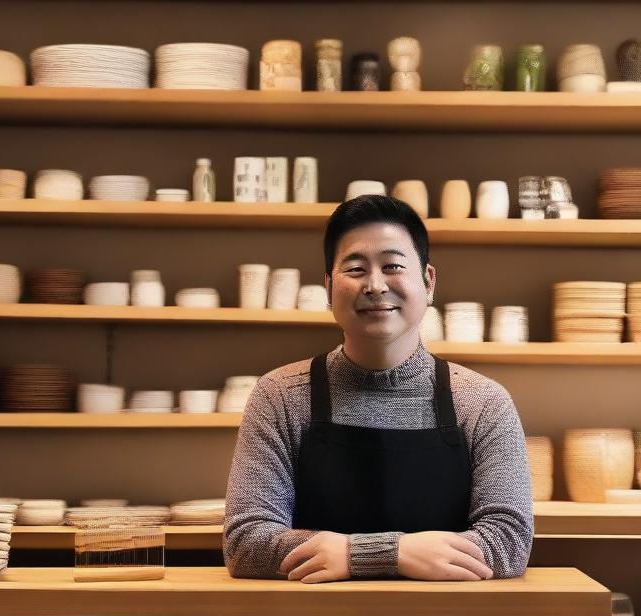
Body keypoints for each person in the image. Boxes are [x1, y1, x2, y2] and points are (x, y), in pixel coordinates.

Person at [224, 194, 533, 583]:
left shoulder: (483, 402)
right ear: (328, 287)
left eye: (393, 266)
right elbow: (246, 544)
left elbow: (509, 543)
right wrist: (384, 553)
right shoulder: (280, 396)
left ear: (428, 281)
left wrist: (356, 553)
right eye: (355, 269)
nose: (374, 285)